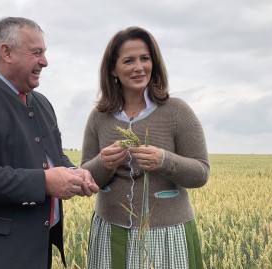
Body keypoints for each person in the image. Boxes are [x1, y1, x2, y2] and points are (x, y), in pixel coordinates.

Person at [0, 17, 99, 269]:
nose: (44, 61)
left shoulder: (42, 103)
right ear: (6, 52)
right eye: (36, 53)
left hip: (36, 252)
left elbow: (52, 158)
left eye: (44, 53)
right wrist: (46, 182)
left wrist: (72, 173)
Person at [80, 26, 210, 269]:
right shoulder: (99, 117)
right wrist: (103, 163)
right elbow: (87, 177)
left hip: (166, 235)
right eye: (128, 60)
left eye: (145, 58)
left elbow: (201, 173)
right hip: (111, 233)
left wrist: (164, 160)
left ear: (155, 63)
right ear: (113, 69)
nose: (139, 67)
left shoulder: (177, 111)